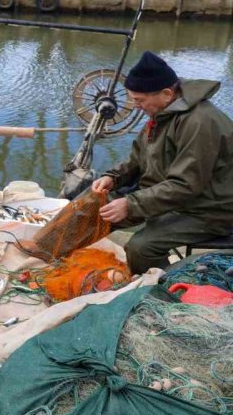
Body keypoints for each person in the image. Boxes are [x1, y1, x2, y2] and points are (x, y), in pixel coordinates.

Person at [92, 51, 233, 274]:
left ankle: (157, 291)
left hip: (208, 210)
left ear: (167, 94)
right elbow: (137, 157)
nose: (135, 106)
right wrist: (113, 177)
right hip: (166, 197)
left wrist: (130, 204)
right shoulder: (163, 111)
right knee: (92, 214)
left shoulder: (200, 122)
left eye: (139, 100)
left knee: (140, 247)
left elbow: (185, 185)